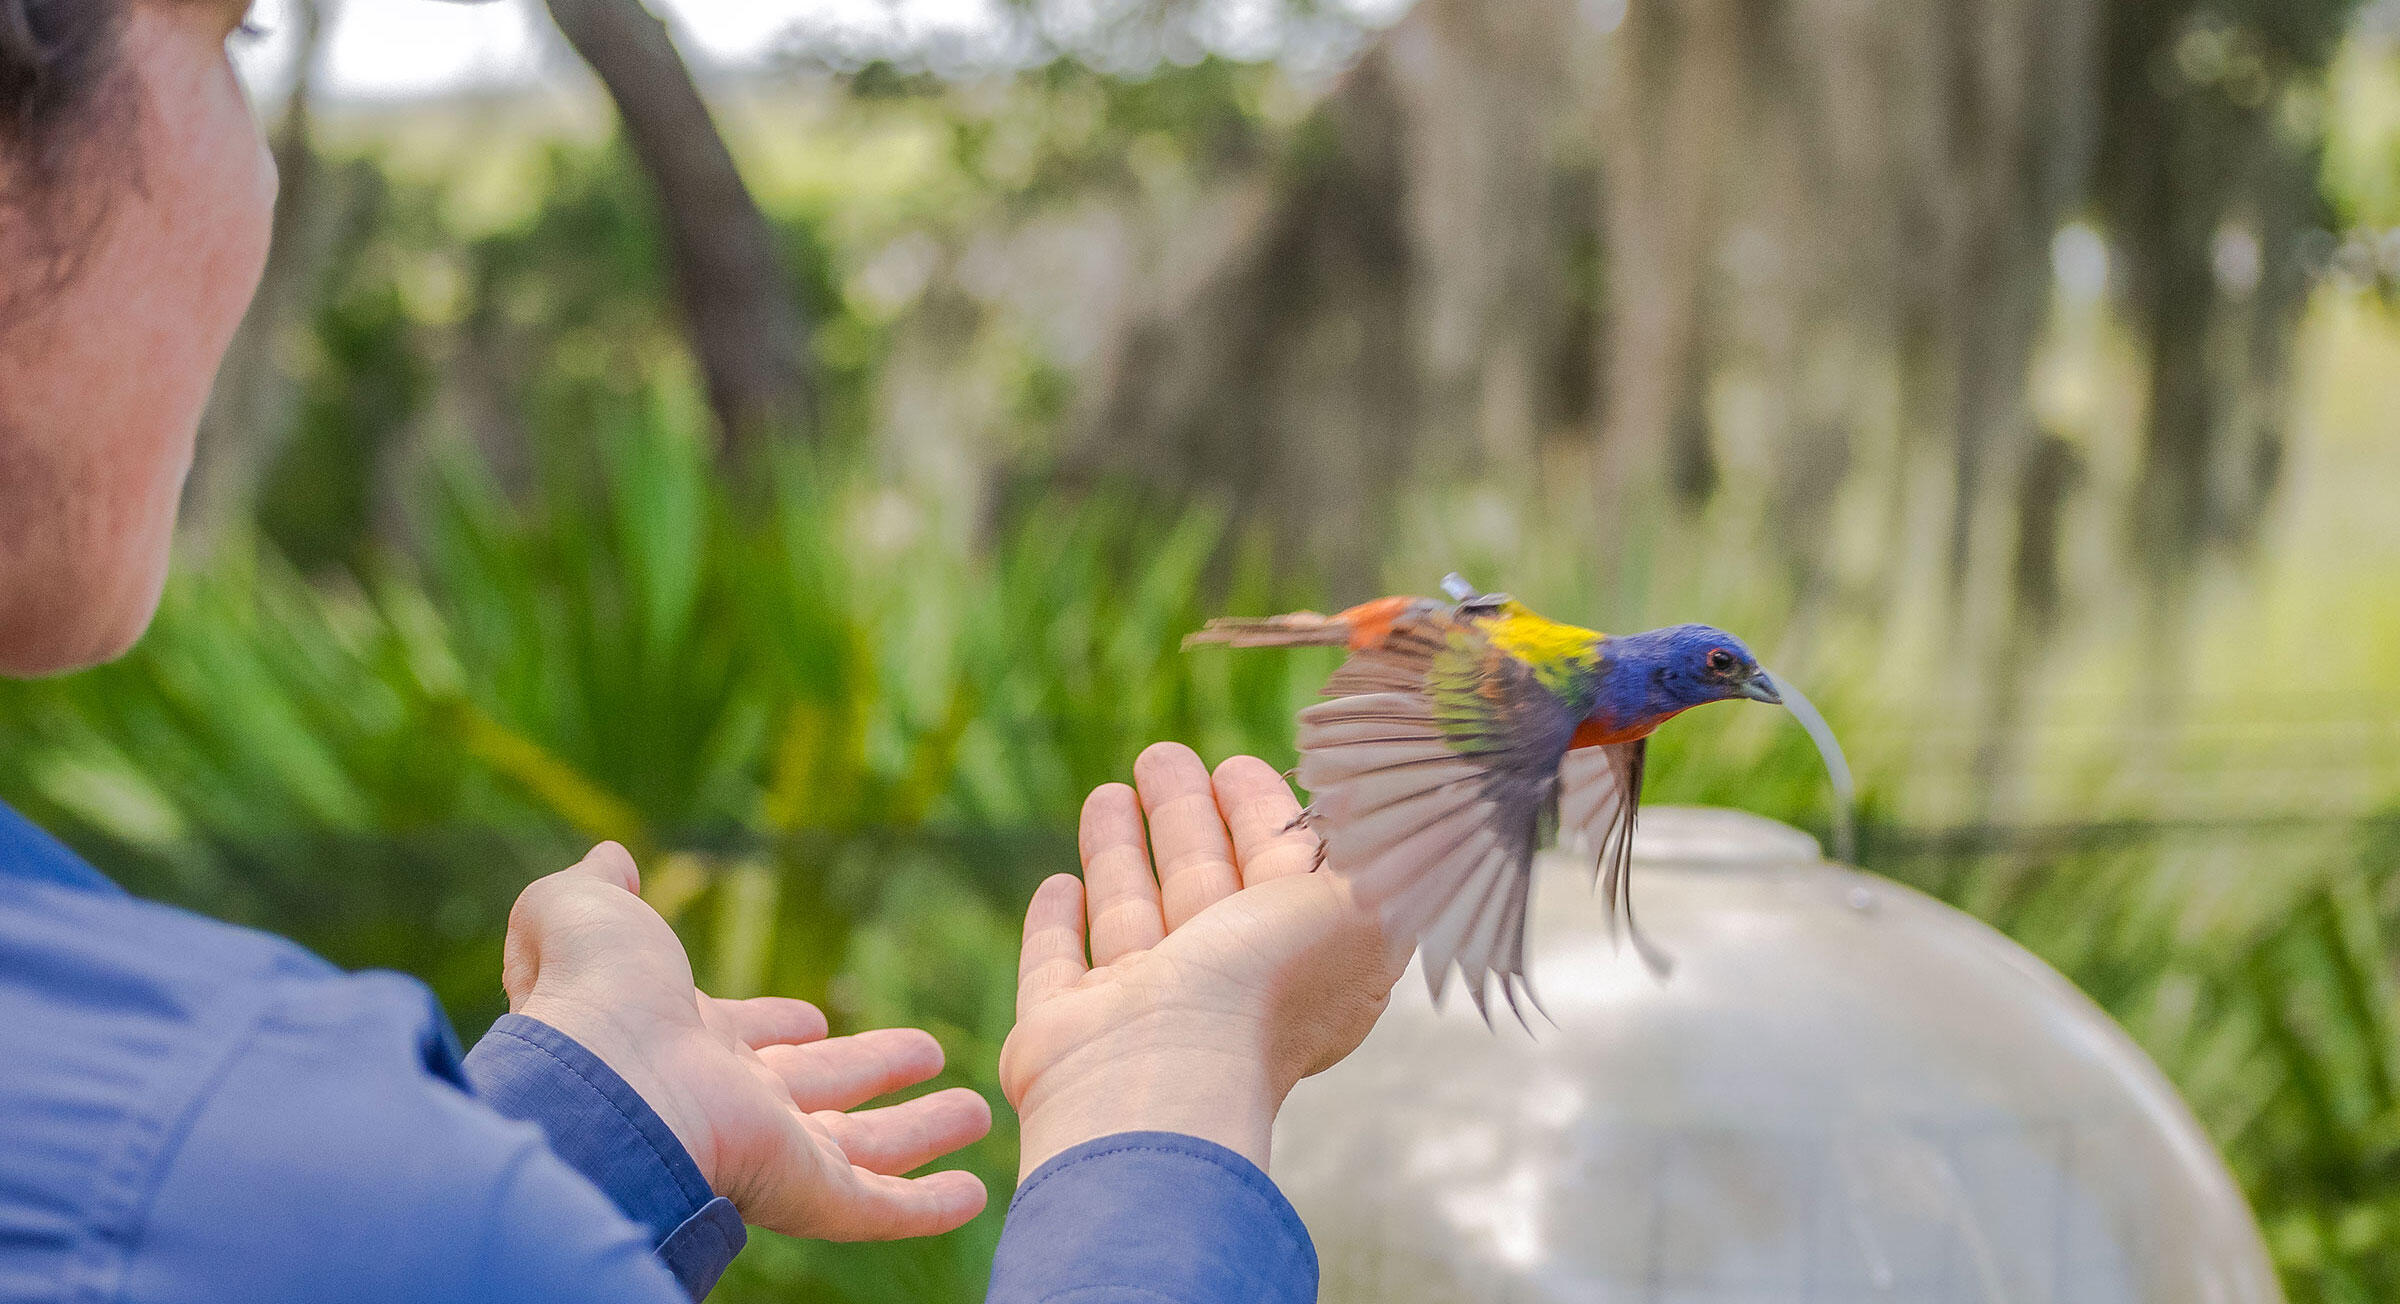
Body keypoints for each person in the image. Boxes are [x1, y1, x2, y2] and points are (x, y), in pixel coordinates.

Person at [0, 3, 1406, 1302]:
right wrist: (1167, 1096)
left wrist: (589, 1116)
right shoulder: (189, 1160)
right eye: (235, 37)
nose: (262, 184)